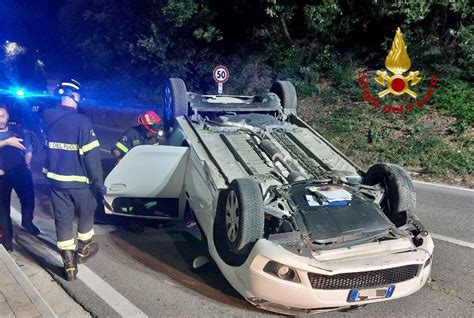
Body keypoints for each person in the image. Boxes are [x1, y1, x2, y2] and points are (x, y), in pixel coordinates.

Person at [42, 79, 105, 280]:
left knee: (63, 220)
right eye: (78, 97)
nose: (79, 101)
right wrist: (98, 183)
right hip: (79, 182)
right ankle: (84, 248)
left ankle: (69, 266)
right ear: (73, 96)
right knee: (88, 210)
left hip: (56, 181)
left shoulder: (47, 116)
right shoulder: (82, 122)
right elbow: (92, 156)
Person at [0, 106, 40, 253]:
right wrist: (6, 142)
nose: (0, 120)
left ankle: (27, 222)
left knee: (28, 200)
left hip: (20, 172)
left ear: (8, 116)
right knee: (2, 210)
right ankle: (7, 241)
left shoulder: (18, 129)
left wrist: (28, 161)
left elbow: (28, 147)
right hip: (1, 176)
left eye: (2, 116)